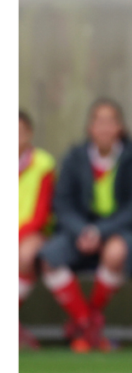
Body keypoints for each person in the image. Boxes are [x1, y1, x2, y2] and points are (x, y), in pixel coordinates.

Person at [39, 98, 132, 352]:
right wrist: (82, 230)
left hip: (120, 231)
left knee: (116, 252)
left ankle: (85, 326)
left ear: (120, 127)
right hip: (78, 231)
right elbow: (63, 203)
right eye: (98, 121)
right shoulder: (74, 158)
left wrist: (100, 231)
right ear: (90, 127)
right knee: (49, 258)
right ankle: (87, 323)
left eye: (110, 121)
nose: (104, 127)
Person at [19, 110, 56, 350]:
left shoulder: (43, 163)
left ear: (29, 134)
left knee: (25, 255)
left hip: (33, 233)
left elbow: (41, 214)